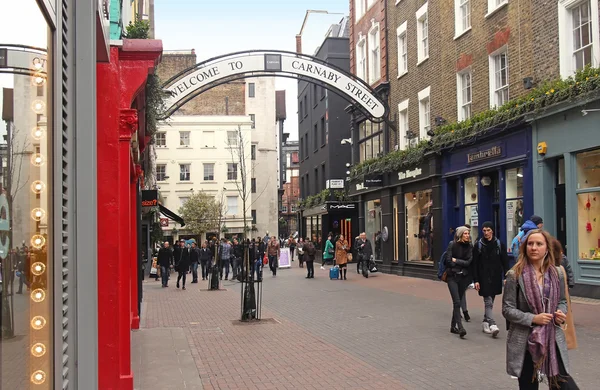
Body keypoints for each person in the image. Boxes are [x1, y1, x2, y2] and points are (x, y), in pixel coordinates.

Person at [502, 229, 578, 389]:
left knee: (563, 384)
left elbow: (563, 301)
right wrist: (533, 318)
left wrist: (560, 313)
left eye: (539, 244)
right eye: (530, 244)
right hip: (525, 340)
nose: (534, 248)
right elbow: (507, 309)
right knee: (528, 385)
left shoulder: (557, 273)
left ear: (547, 248)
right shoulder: (514, 275)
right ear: (525, 248)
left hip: (552, 337)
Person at [473, 221, 509, 338]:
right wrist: (476, 280)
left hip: (495, 276)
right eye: (484, 231)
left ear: (492, 231)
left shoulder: (499, 244)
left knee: (491, 300)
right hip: (483, 277)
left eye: (488, 230)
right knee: (488, 301)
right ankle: (492, 324)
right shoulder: (478, 245)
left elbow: (505, 261)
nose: (486, 233)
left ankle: (485, 322)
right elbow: (475, 264)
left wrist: (506, 276)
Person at [445, 226, 473, 338]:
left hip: (463, 278)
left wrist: (456, 260)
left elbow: (469, 262)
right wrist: (459, 264)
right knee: (457, 302)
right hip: (452, 277)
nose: (467, 235)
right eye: (465, 233)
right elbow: (448, 261)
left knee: (458, 302)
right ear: (460, 235)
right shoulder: (452, 244)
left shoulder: (470, 246)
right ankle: (460, 327)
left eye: (468, 233)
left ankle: (453, 326)